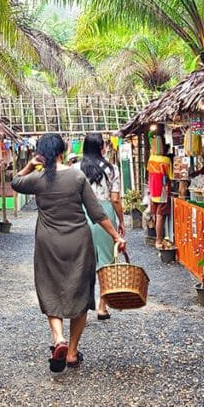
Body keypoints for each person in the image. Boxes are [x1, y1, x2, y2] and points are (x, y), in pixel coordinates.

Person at [12, 133, 125, 373]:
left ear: (42, 154)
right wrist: (116, 236)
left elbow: (15, 182)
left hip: (48, 243)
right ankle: (72, 352)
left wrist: (31, 164)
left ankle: (58, 339)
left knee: (50, 288)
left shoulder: (38, 178)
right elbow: (97, 213)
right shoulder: (76, 175)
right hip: (78, 242)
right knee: (80, 293)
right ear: (63, 150)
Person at [74, 133, 125, 321]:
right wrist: (120, 221)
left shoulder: (75, 168)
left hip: (80, 213)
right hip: (104, 214)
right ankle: (102, 307)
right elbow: (115, 199)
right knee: (106, 261)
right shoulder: (112, 169)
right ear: (101, 147)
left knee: (81, 262)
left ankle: (80, 308)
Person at [147, 135, 172, 249]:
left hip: (153, 190)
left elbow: (149, 173)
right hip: (163, 191)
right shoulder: (166, 160)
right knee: (160, 216)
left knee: (156, 215)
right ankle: (158, 240)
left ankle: (156, 238)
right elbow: (171, 176)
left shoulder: (151, 159)